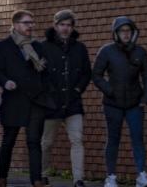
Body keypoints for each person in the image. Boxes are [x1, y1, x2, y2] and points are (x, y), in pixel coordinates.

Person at [0, 9, 52, 187]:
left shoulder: (38, 46)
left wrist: (44, 91)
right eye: (27, 23)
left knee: (34, 141)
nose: (31, 26)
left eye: (32, 23)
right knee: (8, 141)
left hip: (35, 100)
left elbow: (45, 72)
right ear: (16, 25)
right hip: (13, 100)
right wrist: (6, 82)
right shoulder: (2, 47)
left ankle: (36, 181)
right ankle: (2, 178)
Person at [92, 17, 147, 187]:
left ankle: (141, 175)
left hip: (135, 104)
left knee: (137, 139)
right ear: (116, 33)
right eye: (122, 31)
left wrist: (146, 98)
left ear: (133, 33)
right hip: (112, 104)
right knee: (113, 139)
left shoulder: (140, 52)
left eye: (128, 31)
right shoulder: (106, 51)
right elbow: (96, 75)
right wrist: (109, 91)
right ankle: (111, 177)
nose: (126, 34)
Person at [40, 10, 91, 187]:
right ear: (55, 26)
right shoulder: (43, 47)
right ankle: (43, 174)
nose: (65, 28)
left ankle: (78, 179)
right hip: (51, 103)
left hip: (73, 103)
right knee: (46, 142)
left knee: (77, 140)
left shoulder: (80, 48)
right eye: (62, 24)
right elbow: (38, 73)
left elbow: (86, 73)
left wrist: (78, 89)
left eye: (69, 25)